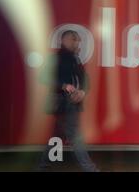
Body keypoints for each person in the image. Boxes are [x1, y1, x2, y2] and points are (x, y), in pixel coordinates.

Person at [38, 30, 98, 172]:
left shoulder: (75, 58)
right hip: (61, 102)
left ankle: (42, 166)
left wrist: (82, 91)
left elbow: (85, 79)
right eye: (74, 39)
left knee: (58, 134)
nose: (77, 43)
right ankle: (90, 169)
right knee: (74, 135)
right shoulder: (55, 58)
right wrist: (64, 85)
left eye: (77, 40)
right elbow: (43, 77)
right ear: (65, 40)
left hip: (70, 103)